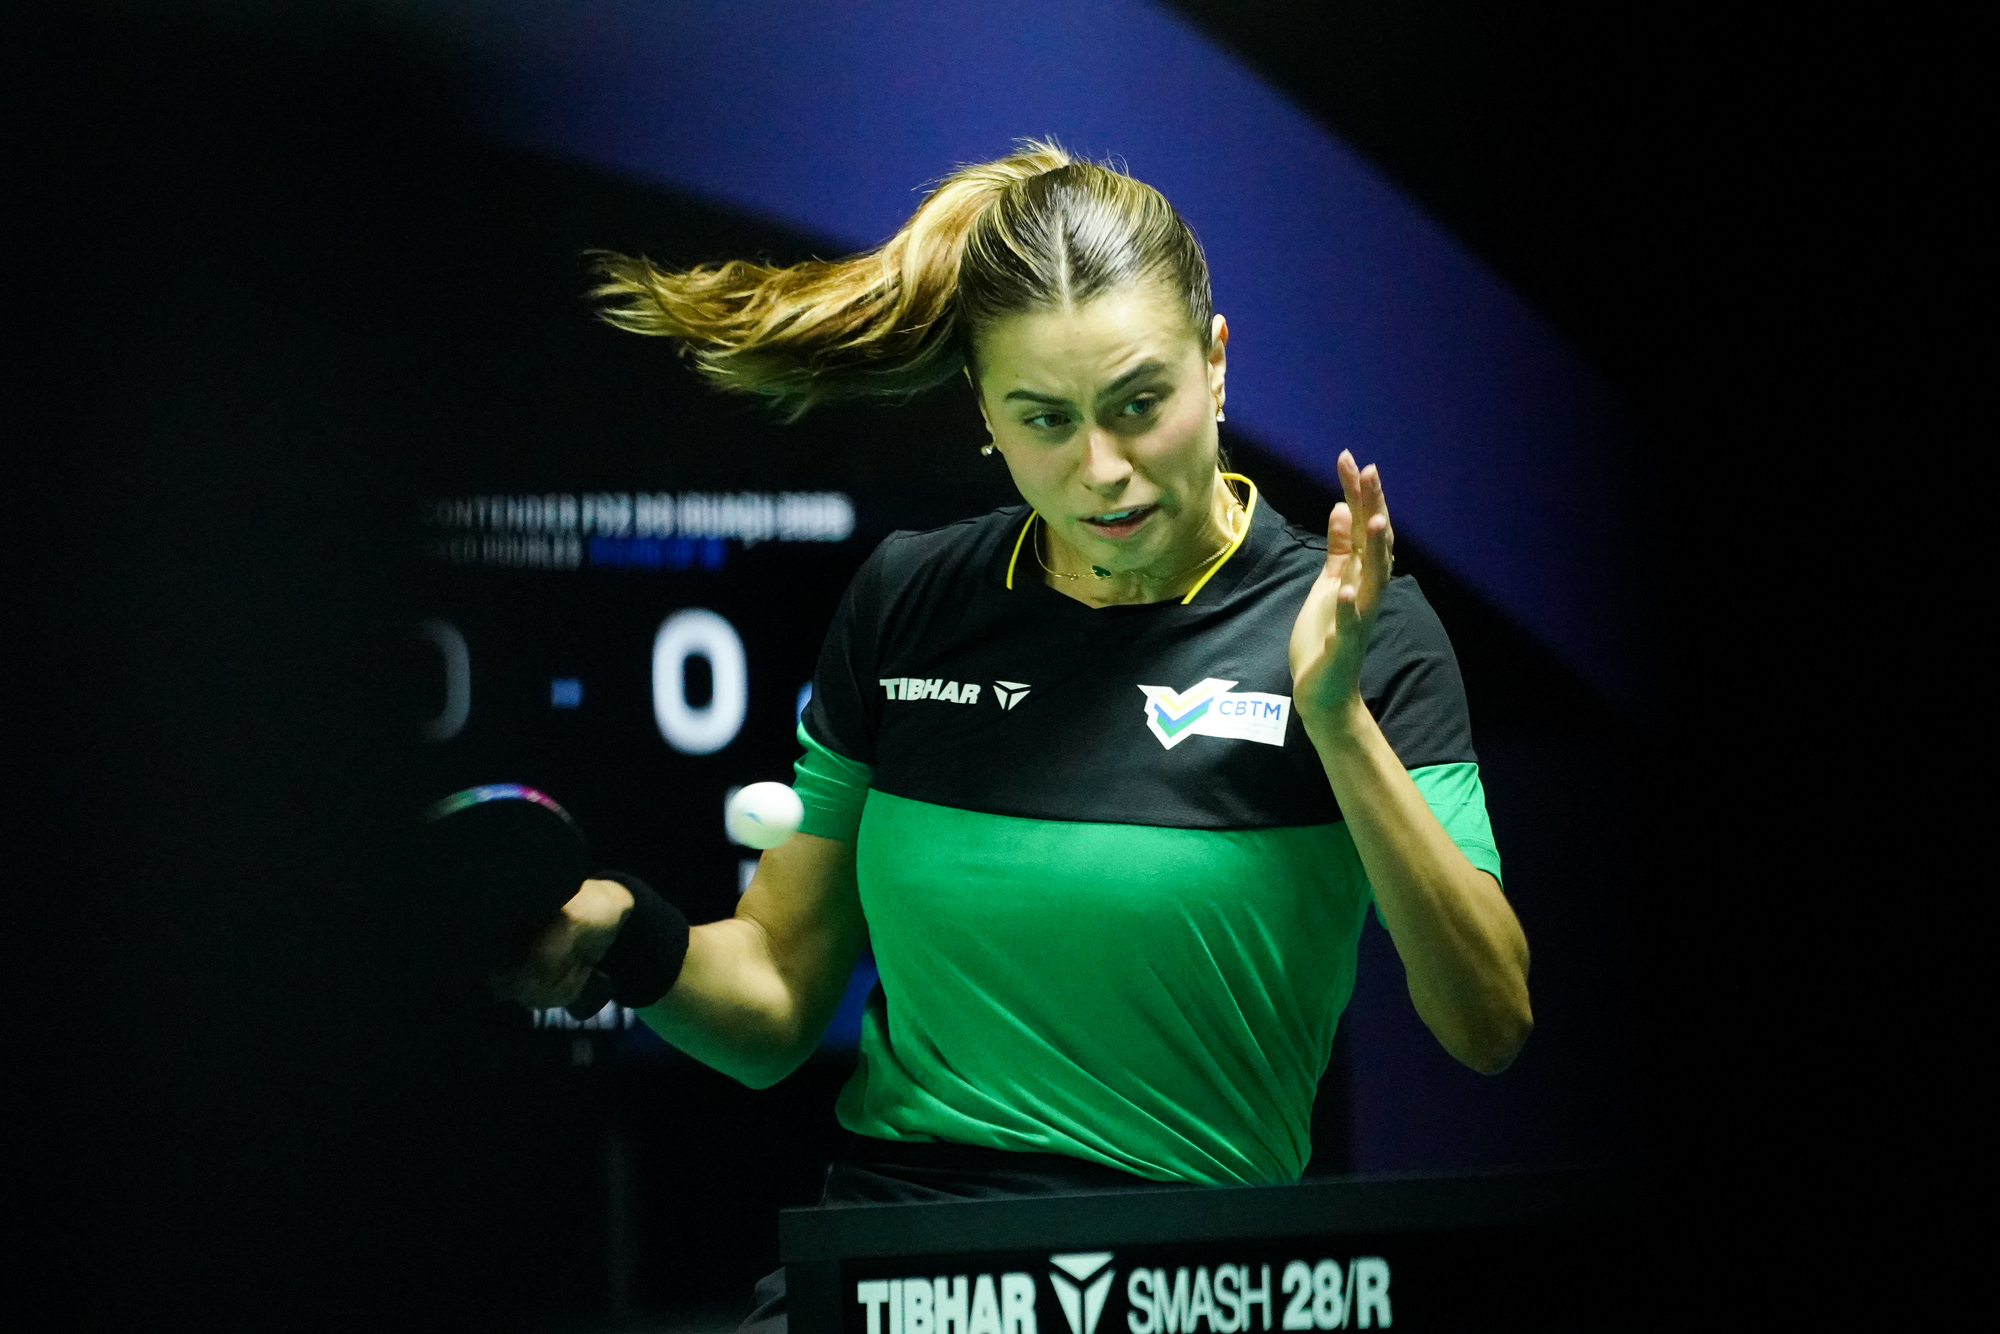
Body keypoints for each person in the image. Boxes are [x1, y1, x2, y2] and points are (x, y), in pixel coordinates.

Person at [497, 138, 1531, 1321]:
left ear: (1214, 363)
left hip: (1186, 1278)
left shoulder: (1358, 621)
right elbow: (777, 993)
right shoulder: (909, 603)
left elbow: (1487, 1021)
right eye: (1044, 417)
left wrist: (1334, 716)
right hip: (900, 1267)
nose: (1101, 469)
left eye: (1138, 404)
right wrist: (620, 927)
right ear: (982, 408)